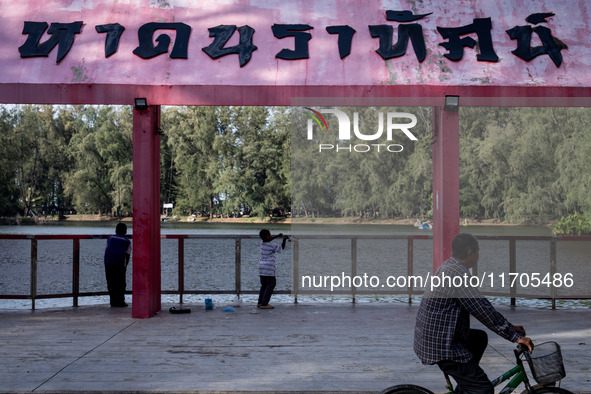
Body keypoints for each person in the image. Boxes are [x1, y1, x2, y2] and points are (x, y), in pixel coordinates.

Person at [414, 233, 533, 394]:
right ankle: (471, 385)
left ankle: (466, 385)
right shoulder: (457, 274)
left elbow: (482, 305)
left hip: (434, 338)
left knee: (479, 338)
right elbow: (482, 311)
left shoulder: (450, 266)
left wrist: (510, 327)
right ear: (470, 253)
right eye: (478, 251)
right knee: (483, 389)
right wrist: (514, 336)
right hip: (442, 346)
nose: (478, 255)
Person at [257, 229, 289, 309]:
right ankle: (264, 304)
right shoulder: (271, 245)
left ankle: (260, 302)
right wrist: (284, 239)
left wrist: (277, 236)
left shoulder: (262, 243)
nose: (271, 236)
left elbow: (268, 239)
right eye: (270, 235)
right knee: (271, 284)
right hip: (269, 268)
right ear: (267, 236)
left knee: (264, 285)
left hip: (261, 267)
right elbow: (281, 248)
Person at [104, 222, 131, 307]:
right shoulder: (127, 241)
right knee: (121, 283)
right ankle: (120, 301)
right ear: (125, 231)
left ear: (115, 230)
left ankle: (113, 301)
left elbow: (107, 248)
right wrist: (125, 266)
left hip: (108, 261)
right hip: (119, 262)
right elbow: (128, 254)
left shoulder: (110, 238)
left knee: (111, 282)